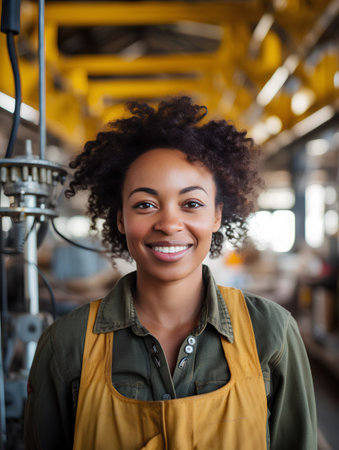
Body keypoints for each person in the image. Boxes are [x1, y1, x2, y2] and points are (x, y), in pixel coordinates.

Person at [24, 97, 316, 449]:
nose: (168, 224)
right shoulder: (65, 345)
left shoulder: (271, 334)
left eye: (191, 204)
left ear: (217, 215)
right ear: (120, 218)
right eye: (145, 205)